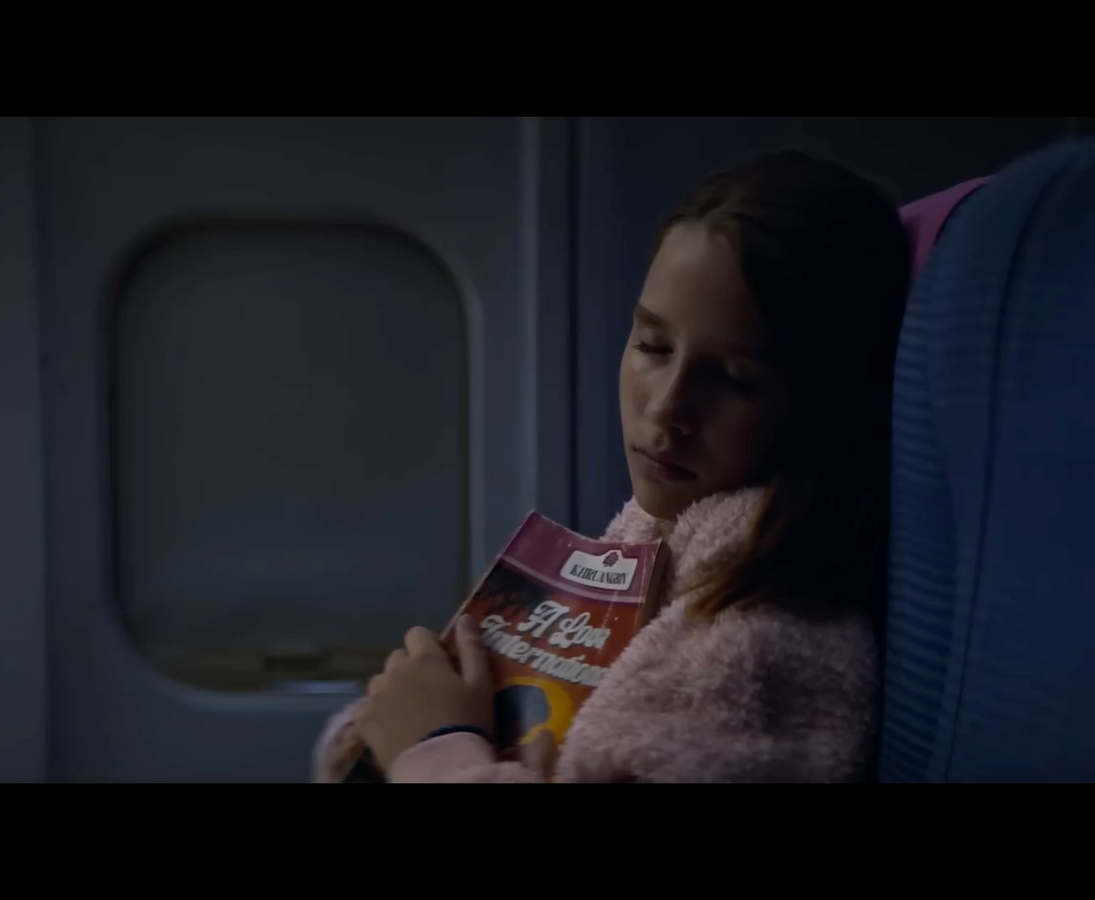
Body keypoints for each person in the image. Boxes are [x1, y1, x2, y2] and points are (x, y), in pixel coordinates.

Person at [313, 150, 911, 783]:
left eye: (734, 380)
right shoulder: (653, 550)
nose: (667, 405)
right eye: (653, 345)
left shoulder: (767, 640)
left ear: (829, 407)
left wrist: (437, 744)